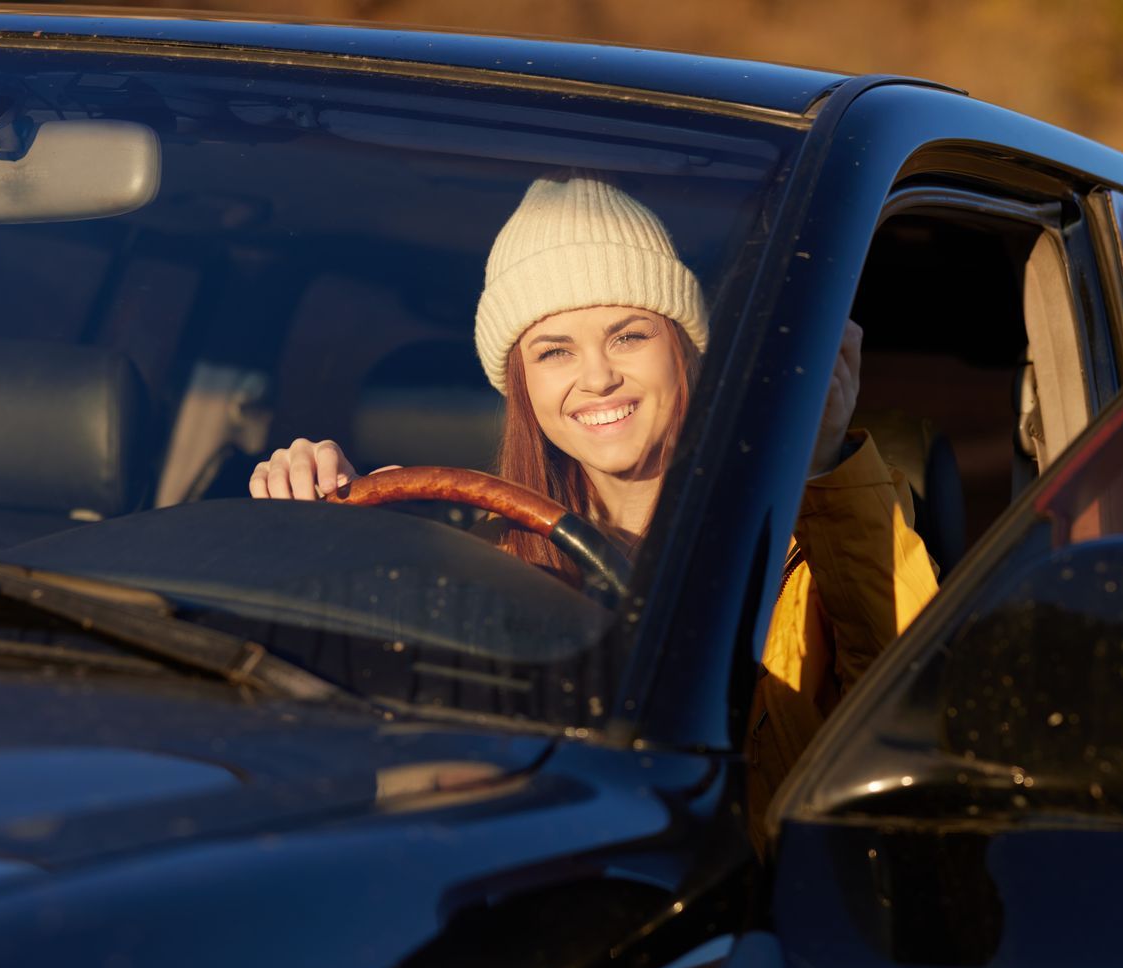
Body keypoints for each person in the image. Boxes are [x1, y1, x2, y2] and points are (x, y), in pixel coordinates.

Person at [252, 171, 939, 842]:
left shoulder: (819, 535)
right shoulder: (463, 552)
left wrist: (821, 463)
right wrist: (318, 538)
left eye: (629, 335)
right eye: (555, 350)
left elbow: (923, 708)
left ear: (685, 351)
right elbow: (332, 735)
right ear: (522, 385)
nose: (598, 376)